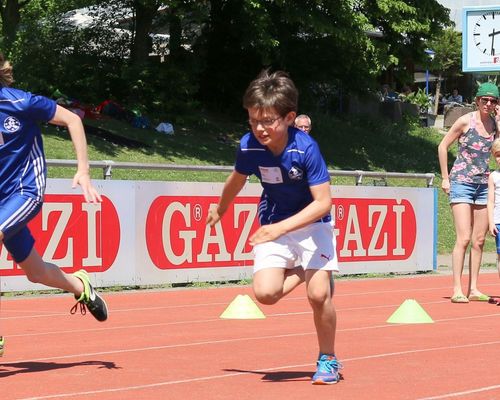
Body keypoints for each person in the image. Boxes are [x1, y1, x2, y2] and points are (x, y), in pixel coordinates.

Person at [206, 69, 341, 385]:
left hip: (312, 223)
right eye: (253, 120)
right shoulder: (249, 145)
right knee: (266, 294)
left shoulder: (306, 148)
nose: (259, 128)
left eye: (268, 121)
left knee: (319, 294)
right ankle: (303, 271)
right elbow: (236, 180)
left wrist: (281, 229)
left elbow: (323, 203)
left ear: (290, 117)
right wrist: (221, 208)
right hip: (272, 222)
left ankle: (328, 359)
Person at [0, 53, 108, 335]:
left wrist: (83, 170)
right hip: (2, 203)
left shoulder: (21, 102)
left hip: (26, 191)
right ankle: (80, 285)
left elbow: (73, 119)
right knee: (36, 273)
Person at [438, 82, 500, 303]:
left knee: (480, 239)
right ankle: (457, 288)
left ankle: (473, 288)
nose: (489, 104)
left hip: (484, 185)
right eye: (485, 100)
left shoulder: (494, 125)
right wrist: (445, 177)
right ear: (477, 100)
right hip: (462, 182)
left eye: (493, 101)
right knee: (463, 237)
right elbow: (442, 146)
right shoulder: (465, 121)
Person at [487, 138, 500, 278]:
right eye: (498, 155)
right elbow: (490, 201)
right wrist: (491, 222)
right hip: (499, 222)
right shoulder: (493, 177)